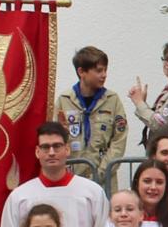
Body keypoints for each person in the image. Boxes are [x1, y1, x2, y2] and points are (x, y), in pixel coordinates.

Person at [0, 121, 110, 227]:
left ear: (67, 149)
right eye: (45, 147)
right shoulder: (20, 197)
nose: (51, 152)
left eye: (57, 146)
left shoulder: (92, 193)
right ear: (37, 152)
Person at [54, 44, 129, 183]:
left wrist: (100, 174)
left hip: (104, 180)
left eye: (105, 70)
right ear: (82, 72)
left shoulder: (112, 100)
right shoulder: (64, 100)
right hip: (72, 180)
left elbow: (119, 141)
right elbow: (55, 139)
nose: (104, 75)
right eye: (99, 70)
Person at [128, 162, 168, 227]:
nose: (153, 187)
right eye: (147, 181)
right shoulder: (123, 218)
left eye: (159, 182)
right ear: (136, 184)